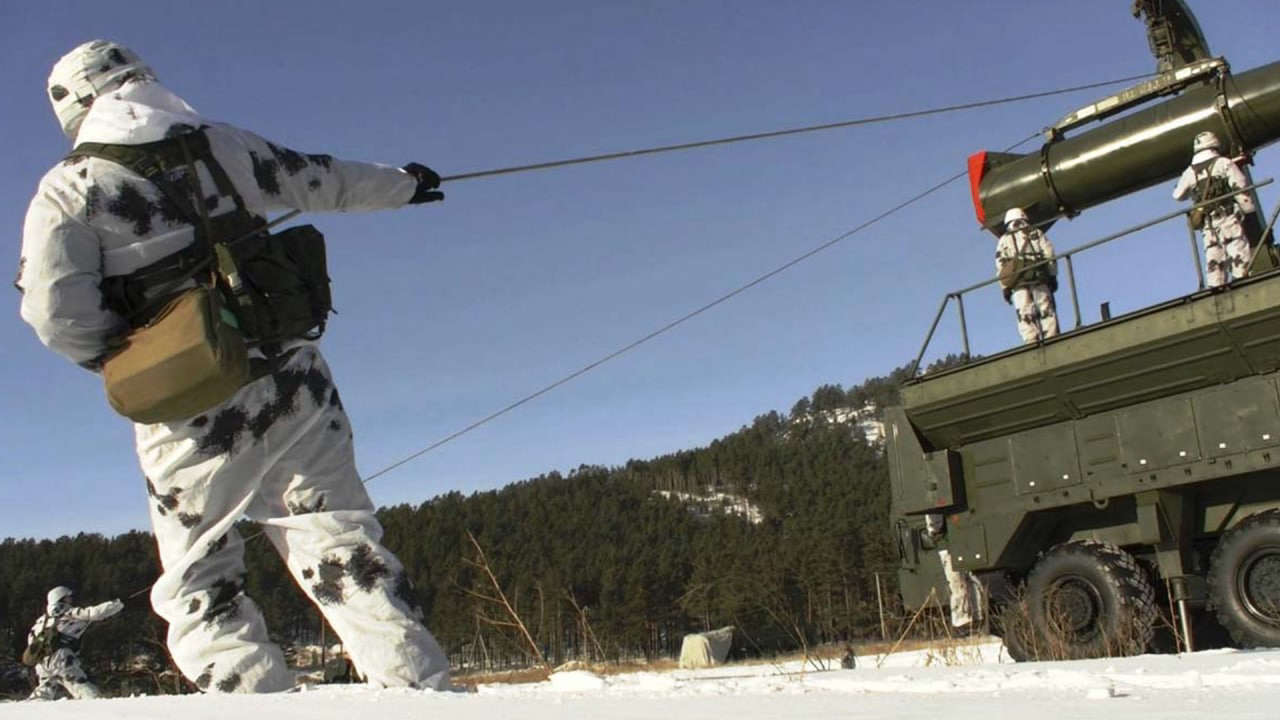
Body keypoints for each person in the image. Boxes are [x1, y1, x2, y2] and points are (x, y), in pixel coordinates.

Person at [17, 40, 450, 694]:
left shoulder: (72, 188)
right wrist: (406, 186)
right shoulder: (224, 144)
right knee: (343, 546)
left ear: (73, 109)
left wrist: (123, 358)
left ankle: (251, 700)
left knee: (202, 576)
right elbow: (322, 178)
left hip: (193, 403)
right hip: (296, 377)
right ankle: (421, 693)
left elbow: (53, 311)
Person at [1172, 131, 1257, 287]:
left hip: (1208, 224)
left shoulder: (1191, 172)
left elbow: (1177, 195)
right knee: (1237, 251)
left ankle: (1216, 289)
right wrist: (1249, 209)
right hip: (1228, 217)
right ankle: (1243, 284)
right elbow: (1239, 188)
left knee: (1214, 258)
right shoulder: (1224, 163)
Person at [24, 587, 123, 700]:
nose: (70, 600)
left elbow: (31, 641)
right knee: (81, 686)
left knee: (44, 691)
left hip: (41, 663)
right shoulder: (69, 613)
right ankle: (98, 710)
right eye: (67, 598)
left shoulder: (41, 620)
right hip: (61, 659)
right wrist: (117, 604)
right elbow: (94, 613)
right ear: (60, 599)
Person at [996, 207, 1059, 344]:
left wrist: (1004, 288)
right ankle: (1051, 338)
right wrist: (1052, 276)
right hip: (1039, 277)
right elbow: (1050, 256)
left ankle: (1031, 341)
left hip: (1018, 283)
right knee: (1045, 309)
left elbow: (1001, 266)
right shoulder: (1036, 233)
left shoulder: (1004, 240)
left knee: (1024, 312)